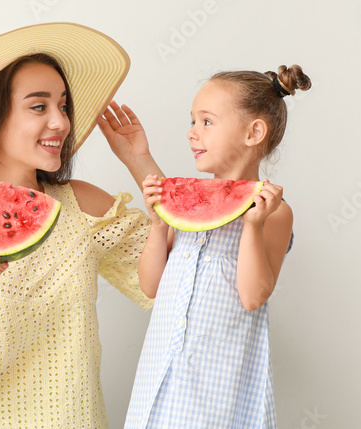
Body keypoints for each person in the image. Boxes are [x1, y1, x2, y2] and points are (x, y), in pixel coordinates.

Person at [0, 23, 164, 427]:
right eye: (39, 107)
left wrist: (141, 164)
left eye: (63, 105)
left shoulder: (82, 207)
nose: (61, 123)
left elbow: (168, 285)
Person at [122, 65, 311, 428]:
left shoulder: (274, 213)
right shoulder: (186, 204)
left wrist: (252, 227)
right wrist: (159, 222)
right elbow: (151, 287)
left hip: (218, 390)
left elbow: (253, 296)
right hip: (160, 379)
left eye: (207, 122)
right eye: (193, 121)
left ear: (254, 132)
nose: (192, 133)